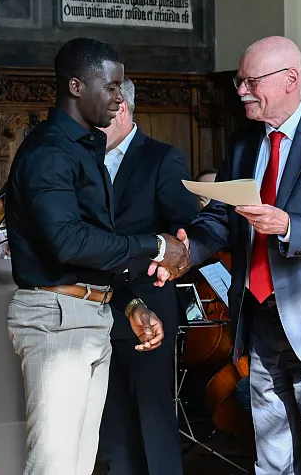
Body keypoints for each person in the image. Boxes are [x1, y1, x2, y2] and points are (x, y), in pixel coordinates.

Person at [163, 36, 301, 475]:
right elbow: (221, 219)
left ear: (291, 80)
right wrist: (184, 251)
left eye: (250, 80)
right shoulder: (243, 144)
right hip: (259, 319)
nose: (241, 90)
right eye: (240, 80)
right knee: (273, 456)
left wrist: (288, 225)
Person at [4, 38, 189, 475]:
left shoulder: (82, 149)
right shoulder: (49, 151)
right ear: (75, 86)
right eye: (110, 87)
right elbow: (68, 242)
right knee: (53, 464)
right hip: (56, 317)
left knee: (80, 464)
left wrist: (130, 303)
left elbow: (95, 246)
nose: (119, 98)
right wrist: (157, 245)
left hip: (89, 314)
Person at [97, 78, 200, 475]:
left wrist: (139, 250)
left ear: (120, 107)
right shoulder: (84, 159)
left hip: (147, 302)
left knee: (152, 423)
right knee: (114, 426)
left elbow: (181, 231)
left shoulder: (161, 158)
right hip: (93, 304)